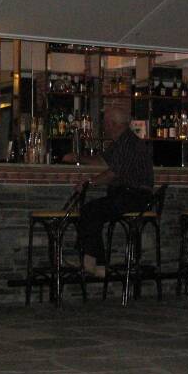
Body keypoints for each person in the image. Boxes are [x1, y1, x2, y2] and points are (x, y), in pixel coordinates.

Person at [68, 106, 154, 277]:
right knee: (92, 211)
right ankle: (93, 263)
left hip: (135, 197)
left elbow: (114, 173)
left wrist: (89, 182)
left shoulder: (129, 142)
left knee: (91, 210)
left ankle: (95, 263)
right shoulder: (122, 141)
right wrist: (78, 158)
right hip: (128, 195)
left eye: (106, 122)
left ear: (114, 124)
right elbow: (103, 161)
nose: (104, 126)